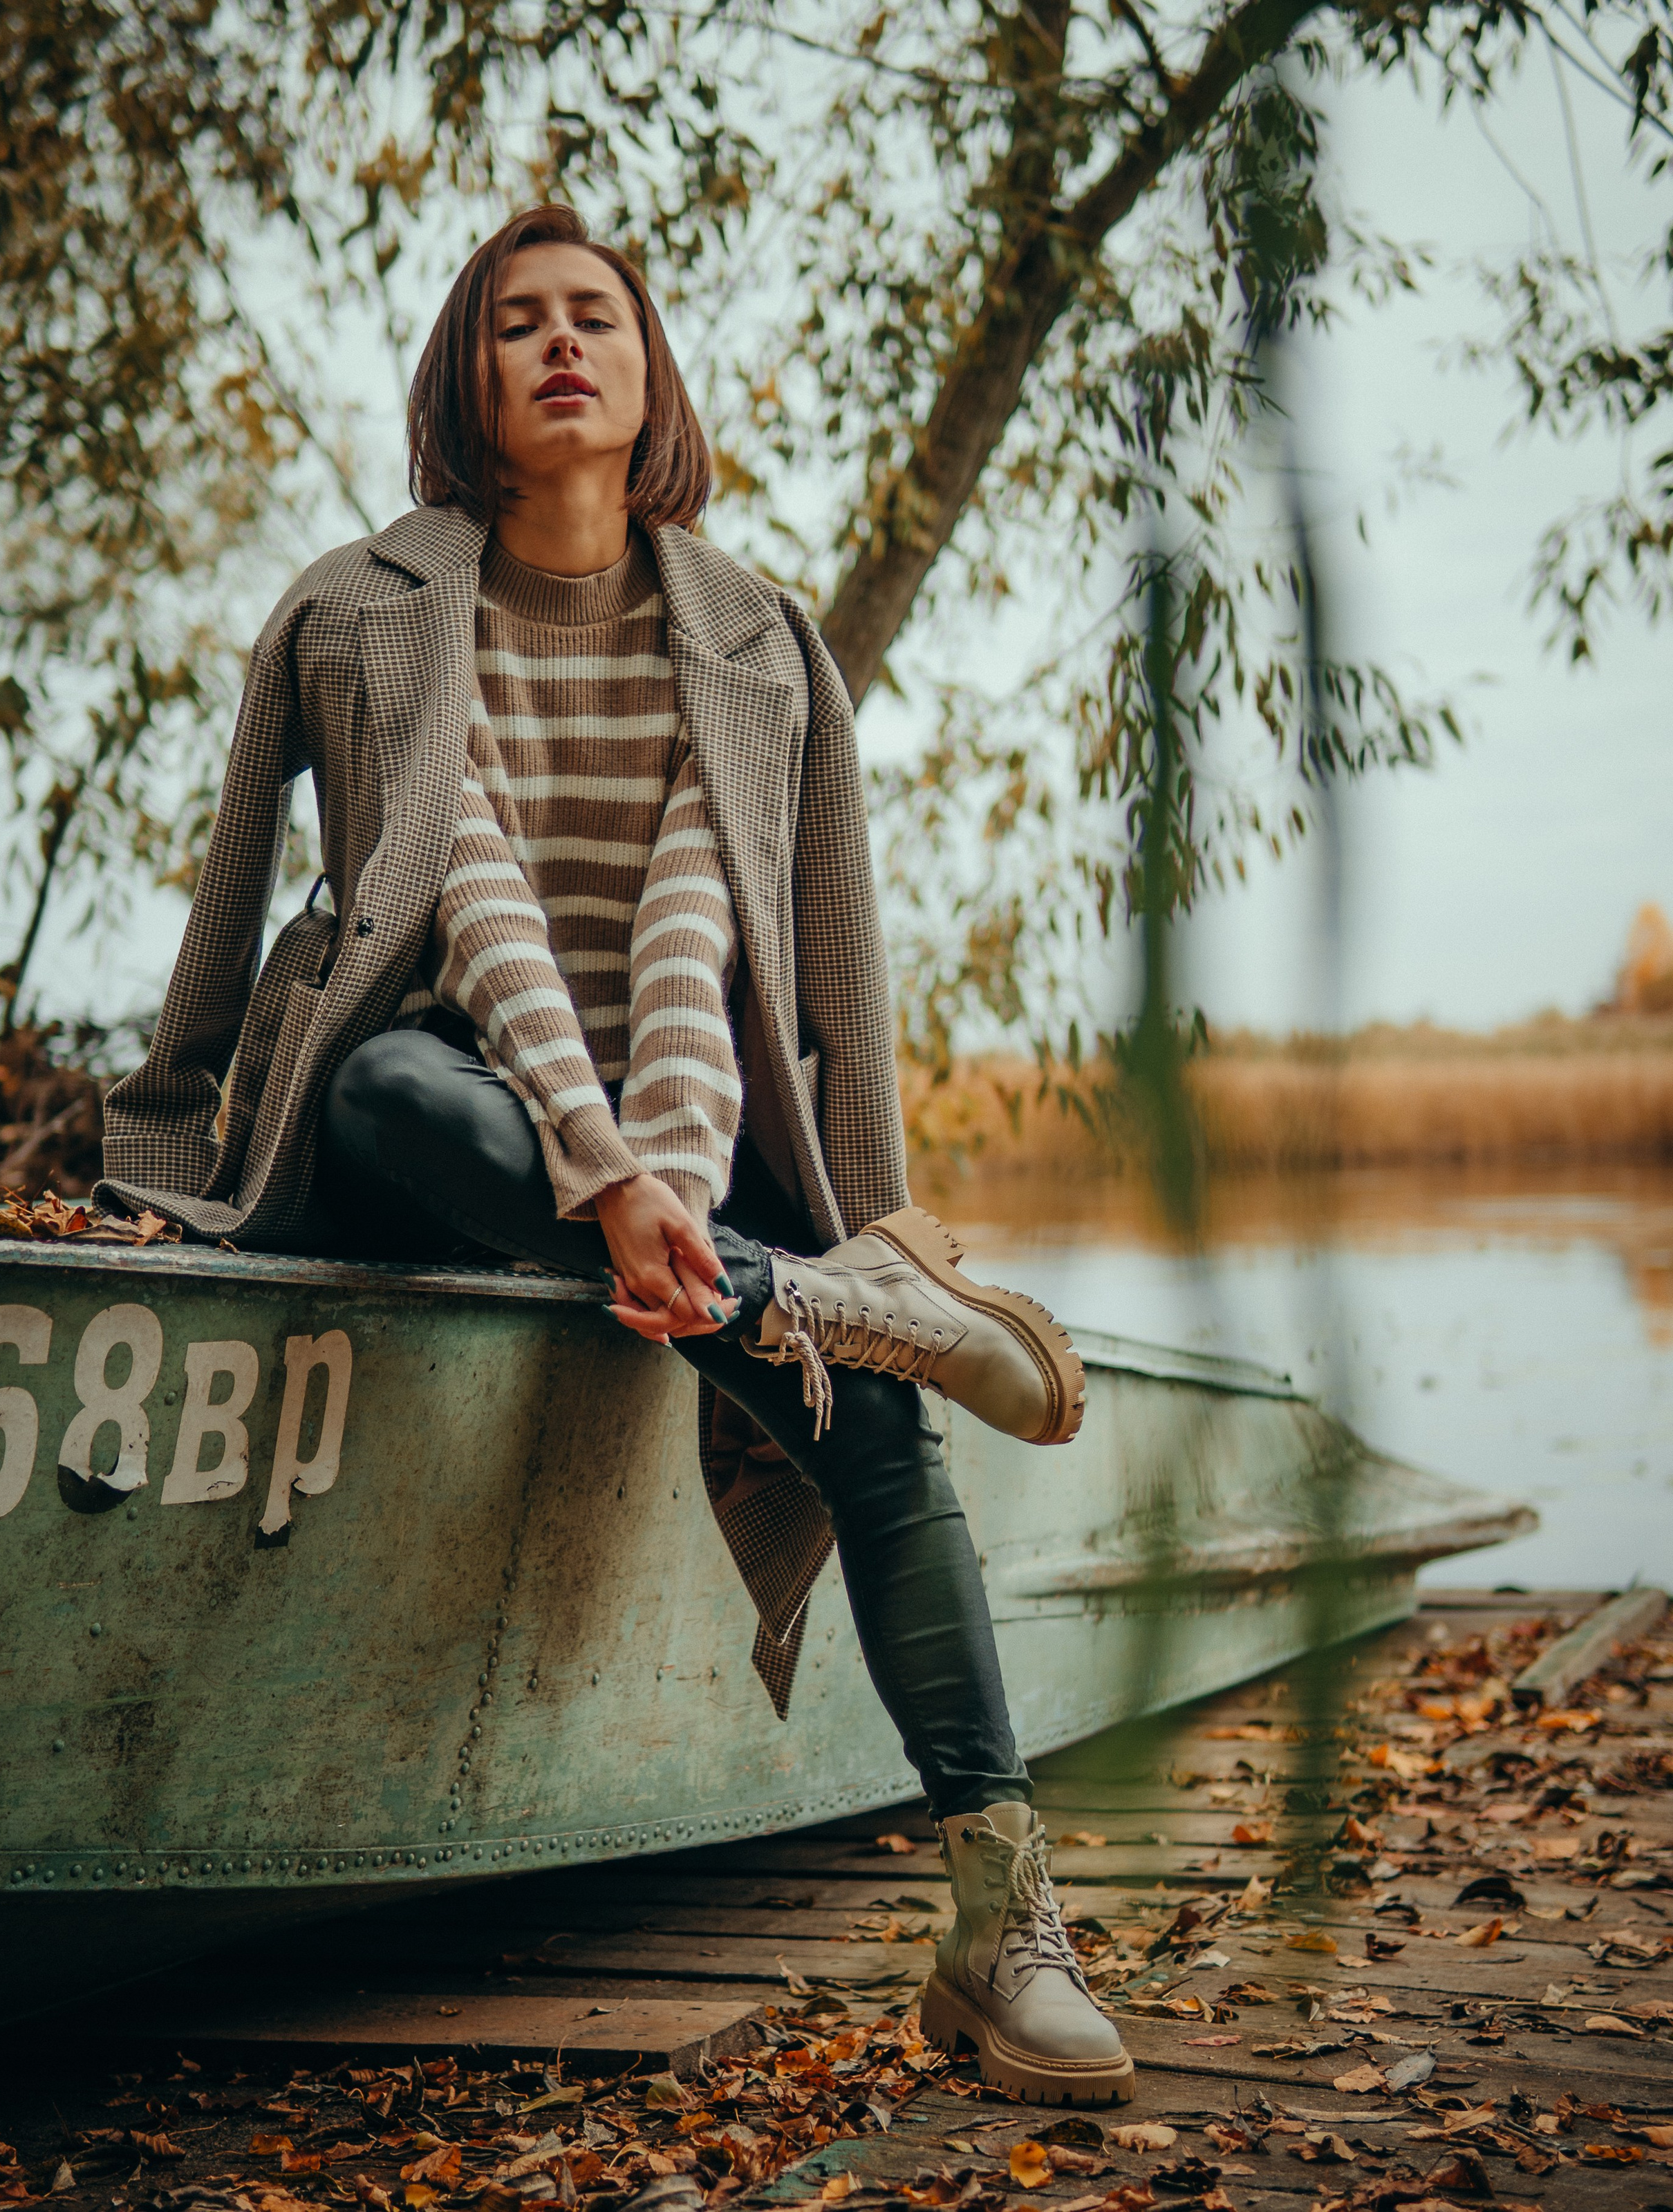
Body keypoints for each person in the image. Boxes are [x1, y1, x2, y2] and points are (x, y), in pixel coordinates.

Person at [100, 204, 1132, 2106]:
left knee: (880, 1423)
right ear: (465, 385)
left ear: (650, 373)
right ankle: (797, 1304)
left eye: (599, 318)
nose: (563, 344)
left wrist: (764, 1193)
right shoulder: (364, 608)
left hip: (683, 1145)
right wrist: (601, 1174)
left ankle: (1007, 1925)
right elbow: (454, 899)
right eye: (518, 325)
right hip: (449, 1111)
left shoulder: (752, 640)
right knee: (391, 1093)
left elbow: (759, 945)